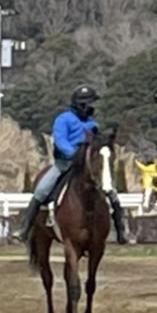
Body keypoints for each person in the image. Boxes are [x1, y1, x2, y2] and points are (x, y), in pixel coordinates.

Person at [16, 84, 128, 244]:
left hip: (87, 165)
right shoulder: (63, 120)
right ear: (80, 104)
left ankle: (120, 230)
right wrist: (75, 154)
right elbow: (60, 141)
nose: (91, 107)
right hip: (64, 163)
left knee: (111, 192)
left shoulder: (92, 124)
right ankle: (24, 228)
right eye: (88, 103)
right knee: (41, 190)